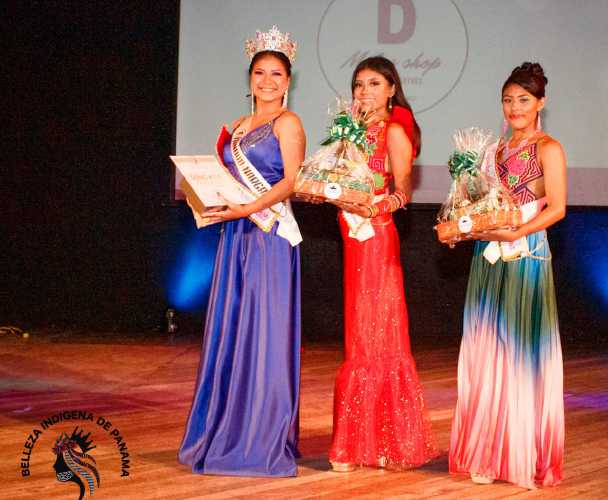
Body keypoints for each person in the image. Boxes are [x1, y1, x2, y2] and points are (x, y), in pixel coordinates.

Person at [178, 26, 306, 477]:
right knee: (234, 327)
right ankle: (225, 427)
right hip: (236, 237)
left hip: (269, 236)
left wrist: (248, 207)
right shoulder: (236, 127)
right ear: (249, 78)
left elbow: (292, 181)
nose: (267, 81)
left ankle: (260, 435)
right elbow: (223, 182)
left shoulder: (287, 123)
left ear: (288, 82)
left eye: (276, 74)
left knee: (264, 331)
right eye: (259, 72)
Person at [449, 62, 566, 488]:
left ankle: (519, 452)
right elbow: (477, 205)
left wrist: (518, 230)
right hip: (488, 254)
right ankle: (487, 450)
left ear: (541, 103)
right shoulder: (492, 151)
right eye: (508, 100)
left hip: (525, 254)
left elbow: (557, 208)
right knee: (486, 351)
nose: (515, 108)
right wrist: (461, 226)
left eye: (523, 100)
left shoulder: (547, 148)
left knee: (517, 355)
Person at [328, 56, 438, 472]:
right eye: (358, 85)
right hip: (351, 233)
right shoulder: (350, 132)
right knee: (358, 331)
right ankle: (361, 439)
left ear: (391, 88)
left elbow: (404, 186)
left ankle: (382, 441)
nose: (364, 92)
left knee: (379, 330)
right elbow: (335, 178)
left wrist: (381, 203)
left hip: (376, 234)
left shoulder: (393, 130)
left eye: (374, 83)